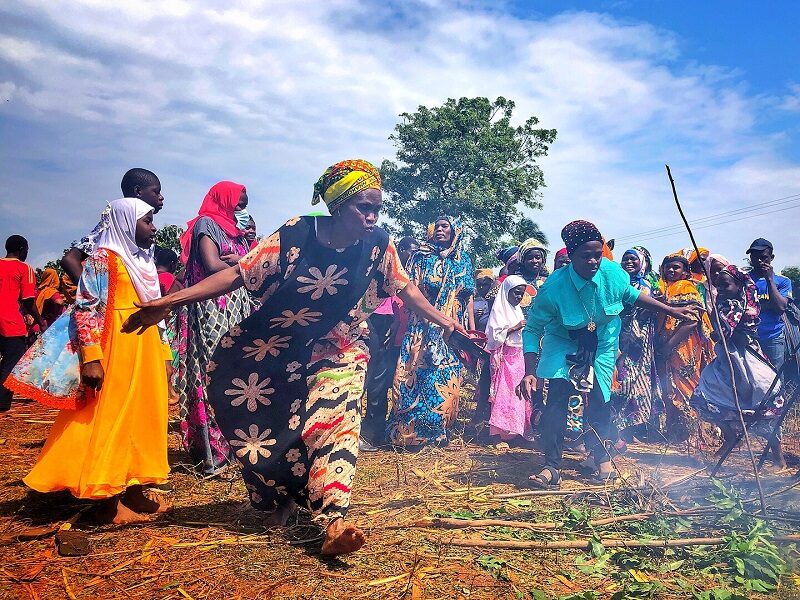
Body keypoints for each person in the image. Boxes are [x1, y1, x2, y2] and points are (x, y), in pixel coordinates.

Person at [121, 159, 463, 556]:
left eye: (376, 209)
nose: (371, 217)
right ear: (337, 205)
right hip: (276, 348)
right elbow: (236, 275)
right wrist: (169, 301)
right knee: (269, 427)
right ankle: (279, 497)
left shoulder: (379, 245)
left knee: (337, 421)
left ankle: (335, 519)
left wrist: (447, 323)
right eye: (363, 207)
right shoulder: (295, 235)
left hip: (341, 348)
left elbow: (404, 289)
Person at [7, 199, 171, 523]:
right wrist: (92, 358)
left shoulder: (144, 261)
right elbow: (85, 307)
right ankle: (106, 501)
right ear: (127, 222)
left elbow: (157, 310)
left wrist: (165, 352)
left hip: (145, 346)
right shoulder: (102, 258)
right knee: (109, 416)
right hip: (115, 345)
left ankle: (135, 491)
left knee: (143, 417)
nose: (154, 227)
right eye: (148, 221)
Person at [518, 221, 699, 489]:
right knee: (557, 399)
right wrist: (530, 371)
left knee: (602, 399)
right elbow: (532, 329)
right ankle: (551, 467)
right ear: (571, 256)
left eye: (597, 254)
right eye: (585, 256)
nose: (593, 261)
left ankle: (600, 456)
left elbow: (631, 295)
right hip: (564, 339)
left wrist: (671, 311)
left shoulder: (612, 273)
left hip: (603, 340)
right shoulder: (554, 287)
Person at [175, 181, 256, 477]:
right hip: (213, 309)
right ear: (224, 200)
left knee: (237, 376)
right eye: (238, 203)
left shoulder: (236, 232)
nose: (241, 209)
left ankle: (237, 447)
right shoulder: (207, 224)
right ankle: (215, 452)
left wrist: (247, 252)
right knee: (214, 374)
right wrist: (245, 265)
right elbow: (210, 264)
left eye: (244, 205)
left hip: (236, 308)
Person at [389, 216, 476, 448]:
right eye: (435, 226)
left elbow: (467, 298)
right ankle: (408, 434)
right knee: (414, 377)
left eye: (444, 226)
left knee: (444, 378)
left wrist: (470, 329)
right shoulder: (420, 257)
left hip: (452, 330)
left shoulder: (463, 260)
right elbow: (407, 291)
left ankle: (439, 433)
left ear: (454, 231)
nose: (439, 229)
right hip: (422, 327)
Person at [691, 265, 787, 468]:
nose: (722, 289)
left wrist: (718, 328)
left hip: (746, 360)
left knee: (761, 403)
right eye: (719, 286)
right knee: (705, 396)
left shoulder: (742, 306)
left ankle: (779, 458)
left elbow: (726, 331)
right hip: (726, 361)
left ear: (739, 285)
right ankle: (730, 438)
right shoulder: (723, 304)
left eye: (726, 285)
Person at [361, 236, 419, 449]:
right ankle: (364, 431)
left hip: (398, 336)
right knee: (369, 380)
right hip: (375, 321)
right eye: (410, 251)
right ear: (401, 249)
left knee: (382, 383)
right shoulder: (384, 264)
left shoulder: (413, 273)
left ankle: (374, 432)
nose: (413, 256)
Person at [61, 168, 164, 283]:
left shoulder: (147, 228)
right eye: (156, 191)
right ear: (138, 191)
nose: (161, 197)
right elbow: (70, 259)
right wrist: (92, 292)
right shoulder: (111, 225)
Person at [655, 254, 715, 441]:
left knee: (686, 385)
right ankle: (675, 433)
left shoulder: (686, 287)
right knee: (668, 387)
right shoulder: (662, 288)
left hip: (684, 345)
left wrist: (669, 346)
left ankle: (694, 434)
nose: (671, 271)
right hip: (663, 344)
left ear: (685, 272)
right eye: (668, 267)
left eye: (676, 267)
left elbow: (691, 321)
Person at [610, 247, 661, 445]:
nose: (628, 262)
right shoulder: (619, 282)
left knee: (629, 384)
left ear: (643, 263)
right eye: (625, 259)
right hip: (618, 336)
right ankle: (617, 432)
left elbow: (638, 312)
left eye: (633, 259)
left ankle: (623, 432)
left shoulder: (644, 286)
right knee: (619, 384)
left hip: (635, 342)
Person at [0, 236, 46, 411]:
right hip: (10, 322)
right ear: (21, 249)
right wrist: (40, 321)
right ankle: (2, 404)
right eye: (26, 249)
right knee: (11, 362)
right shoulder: (24, 268)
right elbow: (28, 300)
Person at [486, 275, 531, 441]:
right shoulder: (499, 311)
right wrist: (515, 327)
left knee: (518, 394)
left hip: (518, 357)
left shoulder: (517, 310)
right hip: (505, 358)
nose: (519, 297)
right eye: (516, 293)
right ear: (507, 292)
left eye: (521, 294)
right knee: (504, 394)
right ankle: (501, 432)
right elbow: (493, 338)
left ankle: (516, 430)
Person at [746, 238, 792, 373]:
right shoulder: (743, 279)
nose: (759, 261)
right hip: (749, 338)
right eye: (754, 257)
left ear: (771, 258)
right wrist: (766, 305)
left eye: (763, 257)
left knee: (774, 376)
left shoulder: (783, 281)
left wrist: (769, 279)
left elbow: (780, 308)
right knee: (752, 376)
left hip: (773, 337)